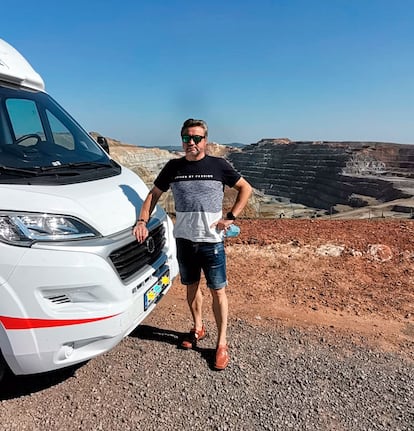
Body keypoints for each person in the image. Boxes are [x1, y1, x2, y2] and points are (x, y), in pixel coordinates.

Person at [133, 118, 252, 370]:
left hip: (212, 242)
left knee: (218, 291)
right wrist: (142, 221)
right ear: (182, 140)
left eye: (197, 138)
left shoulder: (219, 165)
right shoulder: (173, 167)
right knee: (191, 287)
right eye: (187, 138)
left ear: (205, 140)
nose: (192, 143)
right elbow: (153, 195)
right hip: (184, 241)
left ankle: (221, 344)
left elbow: (245, 189)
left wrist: (230, 217)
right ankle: (198, 327)